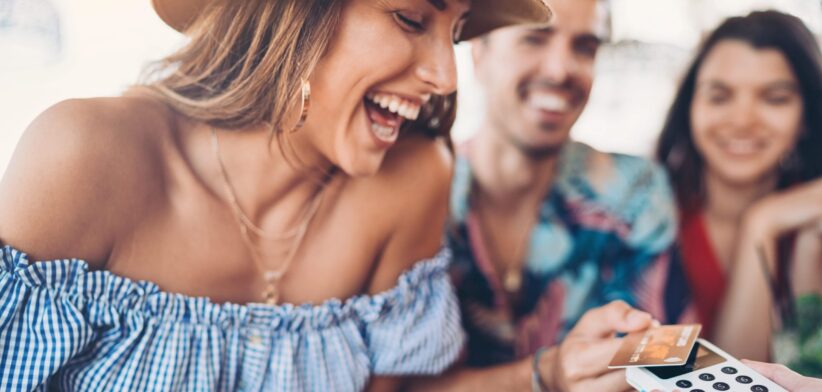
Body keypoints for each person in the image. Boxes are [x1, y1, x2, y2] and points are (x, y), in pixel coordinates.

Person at [0, 0, 553, 390]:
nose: (445, 76)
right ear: (295, 11)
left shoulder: (411, 181)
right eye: (411, 18)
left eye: (454, 34)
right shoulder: (82, 157)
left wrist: (550, 378)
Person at [412, 0, 693, 390]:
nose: (561, 70)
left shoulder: (635, 194)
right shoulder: (417, 193)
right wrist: (546, 374)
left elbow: (660, 366)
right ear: (478, 53)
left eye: (585, 47)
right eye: (535, 39)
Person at [657, 10, 822, 371]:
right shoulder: (645, 217)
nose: (743, 120)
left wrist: (764, 222)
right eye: (719, 96)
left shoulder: (814, 226)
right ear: (690, 108)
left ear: (807, 116)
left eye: (774, 98)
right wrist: (761, 223)